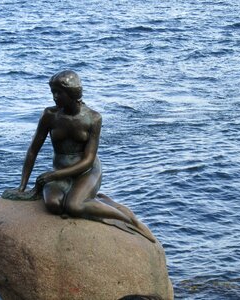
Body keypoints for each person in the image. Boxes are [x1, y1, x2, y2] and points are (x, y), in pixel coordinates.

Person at [16, 70, 155, 242]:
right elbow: (32, 150)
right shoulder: (49, 116)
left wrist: (53, 175)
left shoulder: (93, 118)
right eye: (53, 92)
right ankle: (93, 201)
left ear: (72, 93)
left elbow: (88, 160)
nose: (55, 97)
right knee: (54, 205)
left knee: (74, 206)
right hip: (61, 170)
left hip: (87, 170)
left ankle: (128, 219)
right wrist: (22, 187)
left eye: (59, 92)